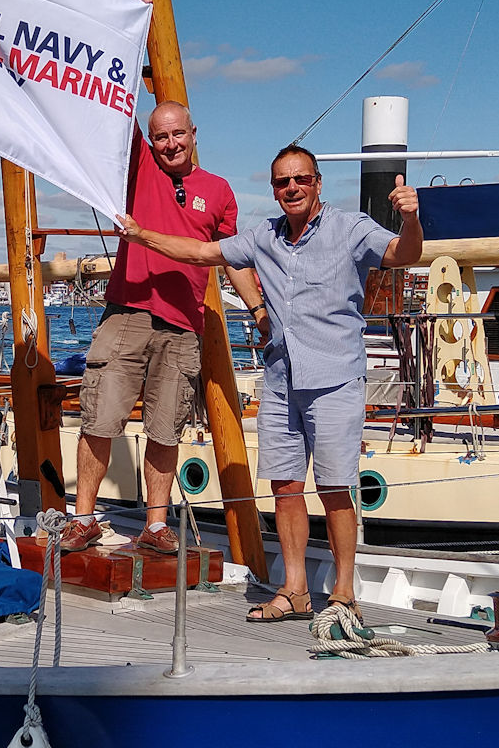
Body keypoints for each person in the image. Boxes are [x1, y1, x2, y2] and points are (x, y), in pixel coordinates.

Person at [114, 144, 421, 620]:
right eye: (283, 182)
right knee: (285, 487)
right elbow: (201, 251)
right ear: (275, 190)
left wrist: (411, 220)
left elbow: (402, 254)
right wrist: (139, 235)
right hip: (281, 378)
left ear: (317, 183)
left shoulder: (350, 229)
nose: (292, 188)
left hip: (336, 377)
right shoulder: (264, 237)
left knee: (336, 487)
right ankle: (295, 590)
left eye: (301, 179)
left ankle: (343, 595)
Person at [59, 100, 265, 555]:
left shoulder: (220, 191)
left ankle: (155, 524)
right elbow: (113, 104)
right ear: (150, 141)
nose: (170, 144)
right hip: (127, 312)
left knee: (165, 427)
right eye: (160, 137)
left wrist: (257, 310)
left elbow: (232, 259)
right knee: (100, 417)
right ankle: (83, 517)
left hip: (182, 325)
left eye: (178, 134)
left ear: (194, 133)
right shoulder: (138, 167)